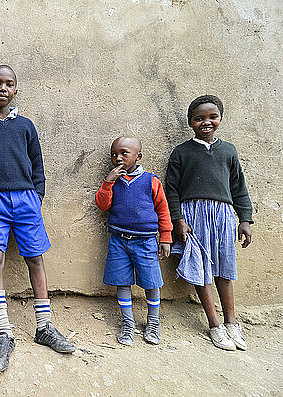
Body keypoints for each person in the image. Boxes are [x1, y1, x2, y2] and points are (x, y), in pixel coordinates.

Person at [0, 65, 75, 373]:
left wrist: (36, 195)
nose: (3, 88)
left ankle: (44, 326)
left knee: (35, 258)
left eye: (9, 84)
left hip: (26, 199)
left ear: (15, 90)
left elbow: (38, 162)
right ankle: (4, 331)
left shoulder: (25, 125)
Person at [165, 95, 252, 351]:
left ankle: (231, 323)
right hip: (194, 217)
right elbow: (171, 189)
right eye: (199, 118)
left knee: (225, 269)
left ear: (220, 119)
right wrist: (178, 220)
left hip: (223, 216)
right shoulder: (182, 152)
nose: (206, 122)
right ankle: (215, 325)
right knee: (200, 267)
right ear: (191, 122)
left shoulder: (228, 151)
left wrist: (244, 219)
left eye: (212, 117)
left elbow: (239, 187)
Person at [95, 136, 172, 346]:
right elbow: (102, 205)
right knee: (122, 282)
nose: (118, 158)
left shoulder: (150, 181)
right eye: (114, 154)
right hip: (119, 241)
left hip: (145, 242)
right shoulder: (112, 181)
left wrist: (165, 238)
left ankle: (153, 322)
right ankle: (128, 324)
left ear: (138, 156)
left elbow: (163, 211)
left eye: (124, 153)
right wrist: (108, 181)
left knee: (152, 282)